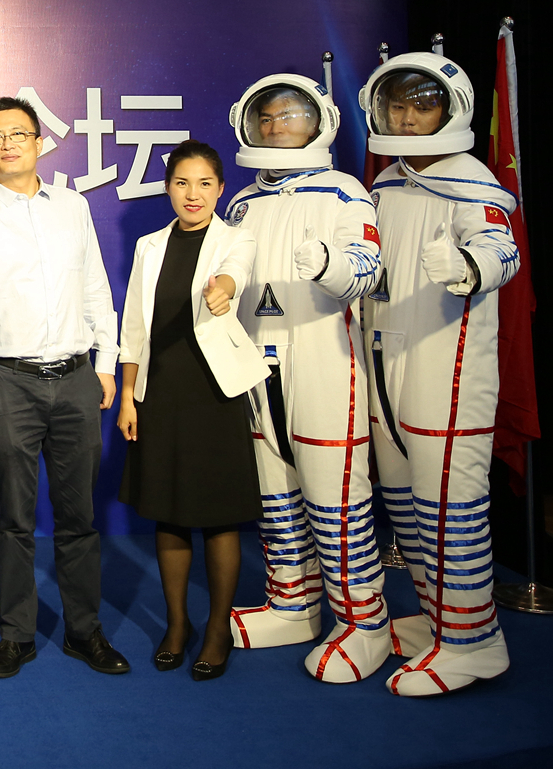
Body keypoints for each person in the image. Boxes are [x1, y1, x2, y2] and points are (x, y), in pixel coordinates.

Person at [0, 96, 125, 679]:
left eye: (18, 134)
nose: (7, 145)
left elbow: (95, 286)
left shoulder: (73, 207)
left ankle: (84, 631)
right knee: (15, 518)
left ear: (40, 142)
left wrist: (106, 363)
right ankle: (16, 636)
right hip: (8, 382)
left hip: (75, 378)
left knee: (79, 517)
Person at [222, 76, 394, 682]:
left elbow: (368, 269)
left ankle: (364, 622)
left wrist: (329, 264)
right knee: (276, 491)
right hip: (254, 357)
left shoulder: (344, 192)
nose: (276, 127)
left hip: (322, 357)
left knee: (334, 495)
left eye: (290, 115)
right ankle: (292, 604)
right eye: (266, 117)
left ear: (319, 120)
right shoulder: (243, 202)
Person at [358, 53, 519, 696]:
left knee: (450, 510)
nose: (405, 117)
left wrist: (468, 266)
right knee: (407, 505)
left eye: (421, 106)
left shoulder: (473, 184)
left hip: (445, 364)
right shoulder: (386, 184)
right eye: (397, 105)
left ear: (451, 111)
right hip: (385, 357)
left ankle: (475, 641)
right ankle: (438, 623)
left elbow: (501, 249)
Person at [116, 140, 260, 681]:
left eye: (203, 184)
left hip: (215, 394)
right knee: (169, 511)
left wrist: (224, 290)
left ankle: (218, 628)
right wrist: (128, 395)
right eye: (181, 183)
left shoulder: (235, 238)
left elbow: (235, 273)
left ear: (220, 189)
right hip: (161, 394)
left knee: (220, 515)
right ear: (168, 188)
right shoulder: (150, 246)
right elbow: (134, 325)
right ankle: (176, 624)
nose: (192, 194)